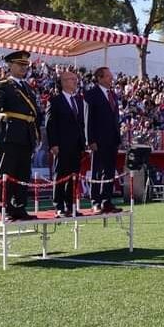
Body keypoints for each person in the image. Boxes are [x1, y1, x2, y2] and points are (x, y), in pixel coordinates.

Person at [0, 50, 40, 221]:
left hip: (26, 135)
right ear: (10, 65)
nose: (23, 68)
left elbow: (34, 113)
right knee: (6, 173)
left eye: (25, 65)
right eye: (20, 65)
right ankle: (5, 207)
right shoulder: (4, 85)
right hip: (10, 134)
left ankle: (19, 207)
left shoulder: (28, 87)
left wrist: (37, 135)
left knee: (23, 174)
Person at [44, 70, 86, 217]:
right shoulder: (54, 101)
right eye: (71, 79)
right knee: (61, 175)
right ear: (63, 82)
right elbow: (50, 124)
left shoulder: (78, 100)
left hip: (76, 145)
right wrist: (53, 144)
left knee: (73, 176)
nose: (75, 81)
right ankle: (59, 206)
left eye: (75, 79)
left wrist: (84, 142)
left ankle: (70, 205)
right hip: (61, 145)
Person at [84, 66, 122, 213]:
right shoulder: (91, 94)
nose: (111, 78)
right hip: (98, 141)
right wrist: (90, 140)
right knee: (97, 171)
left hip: (112, 140)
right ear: (99, 78)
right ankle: (95, 201)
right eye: (108, 76)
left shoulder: (112, 95)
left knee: (109, 172)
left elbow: (115, 118)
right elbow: (88, 119)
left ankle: (107, 201)